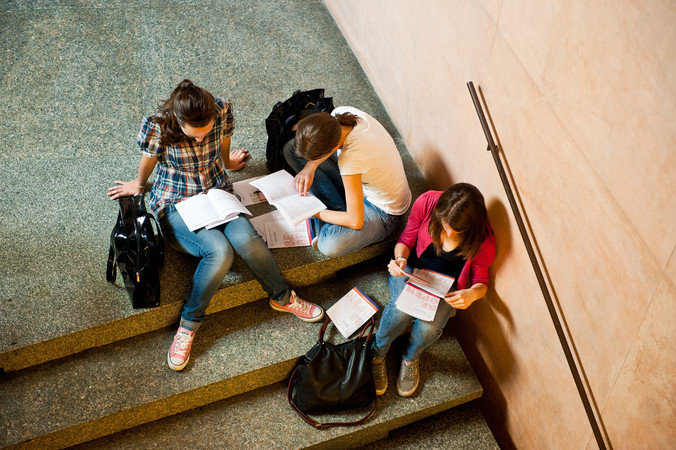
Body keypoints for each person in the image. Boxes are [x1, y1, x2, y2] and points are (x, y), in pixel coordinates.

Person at [108, 79, 324, 371]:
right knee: (220, 251)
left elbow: (223, 142)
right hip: (175, 200)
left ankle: (282, 297)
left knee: (246, 238)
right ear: (179, 122)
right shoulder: (159, 125)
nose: (200, 140)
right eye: (193, 135)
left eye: (204, 133)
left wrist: (227, 163)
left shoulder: (222, 109)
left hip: (216, 190)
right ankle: (188, 325)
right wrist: (139, 184)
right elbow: (148, 159)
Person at [371, 183, 496, 397]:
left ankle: (411, 357)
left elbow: (481, 282)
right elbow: (406, 240)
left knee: (428, 328)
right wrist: (400, 259)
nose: (447, 232)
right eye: (444, 224)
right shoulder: (428, 203)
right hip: (412, 269)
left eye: (456, 231)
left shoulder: (483, 243)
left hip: (445, 286)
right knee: (401, 309)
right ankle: (378, 352)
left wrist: (472, 294)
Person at [283, 107, 411, 257]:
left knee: (329, 245)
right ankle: (336, 214)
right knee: (290, 149)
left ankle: (332, 213)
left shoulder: (350, 161)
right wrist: (310, 166)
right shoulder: (341, 113)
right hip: (365, 184)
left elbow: (355, 221)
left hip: (385, 213)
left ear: (334, 147)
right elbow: (335, 146)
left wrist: (313, 211)